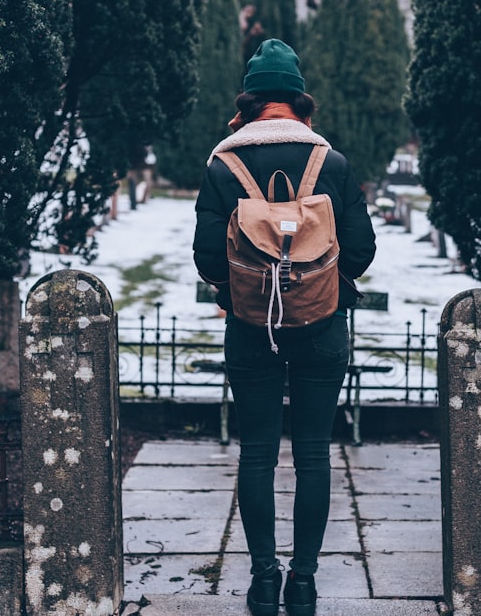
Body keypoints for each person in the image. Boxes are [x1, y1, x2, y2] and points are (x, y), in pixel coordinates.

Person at [193, 38, 376, 616]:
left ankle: (264, 582)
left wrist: (242, 287)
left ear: (249, 101)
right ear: (299, 100)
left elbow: (205, 258)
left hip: (251, 326)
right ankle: (304, 583)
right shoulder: (332, 162)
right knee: (316, 453)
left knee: (257, 454)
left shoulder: (224, 163)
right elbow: (363, 250)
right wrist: (322, 282)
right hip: (322, 325)